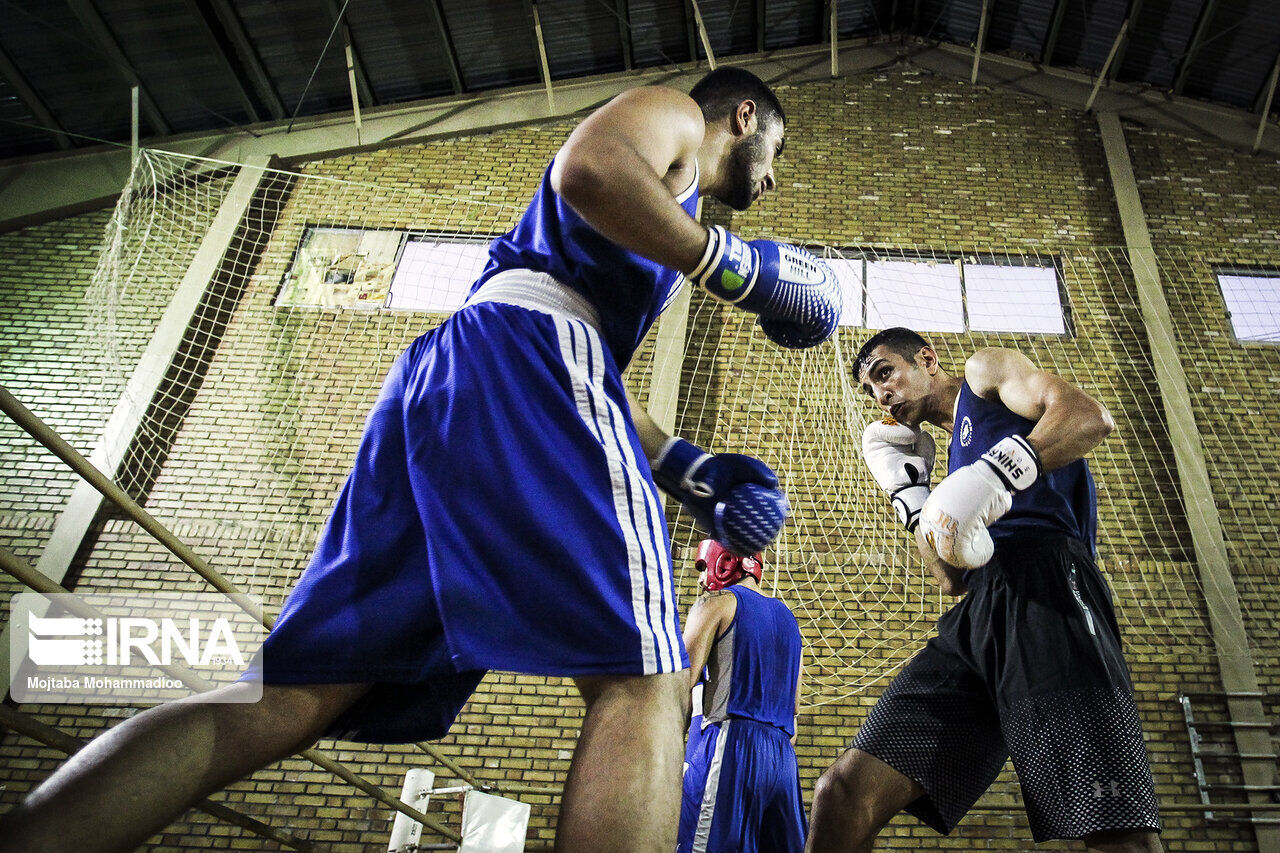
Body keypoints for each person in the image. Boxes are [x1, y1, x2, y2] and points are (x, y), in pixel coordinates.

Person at [0, 68, 841, 853]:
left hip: (465, 377)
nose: (773, 181)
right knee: (646, 677)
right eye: (779, 153)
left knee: (285, 697)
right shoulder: (676, 117)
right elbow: (585, 167)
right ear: (744, 117)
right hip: (527, 355)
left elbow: (591, 372)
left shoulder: (650, 225)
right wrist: (727, 267)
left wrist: (688, 467)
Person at [805, 327, 1163, 853]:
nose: (881, 394)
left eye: (886, 373)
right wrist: (914, 500)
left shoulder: (984, 375)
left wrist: (997, 474)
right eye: (871, 389)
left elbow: (1090, 418)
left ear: (927, 359)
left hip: (1048, 586)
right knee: (841, 792)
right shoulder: (947, 458)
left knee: (1114, 829)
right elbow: (952, 581)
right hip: (977, 616)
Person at [678, 539, 807, 853]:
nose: (699, 579)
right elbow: (795, 710)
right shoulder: (790, 621)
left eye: (702, 566)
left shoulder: (716, 603)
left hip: (729, 746)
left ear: (724, 561)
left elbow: (676, 690)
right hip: (783, 761)